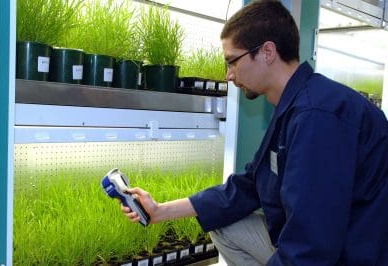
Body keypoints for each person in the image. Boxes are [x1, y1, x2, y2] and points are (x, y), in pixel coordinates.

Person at [121, 0, 388, 265]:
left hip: (352, 252)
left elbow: (311, 244)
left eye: (232, 61)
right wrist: (159, 211)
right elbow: (249, 186)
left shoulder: (318, 117)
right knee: (225, 224)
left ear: (267, 52)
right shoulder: (294, 106)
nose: (228, 75)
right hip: (325, 241)